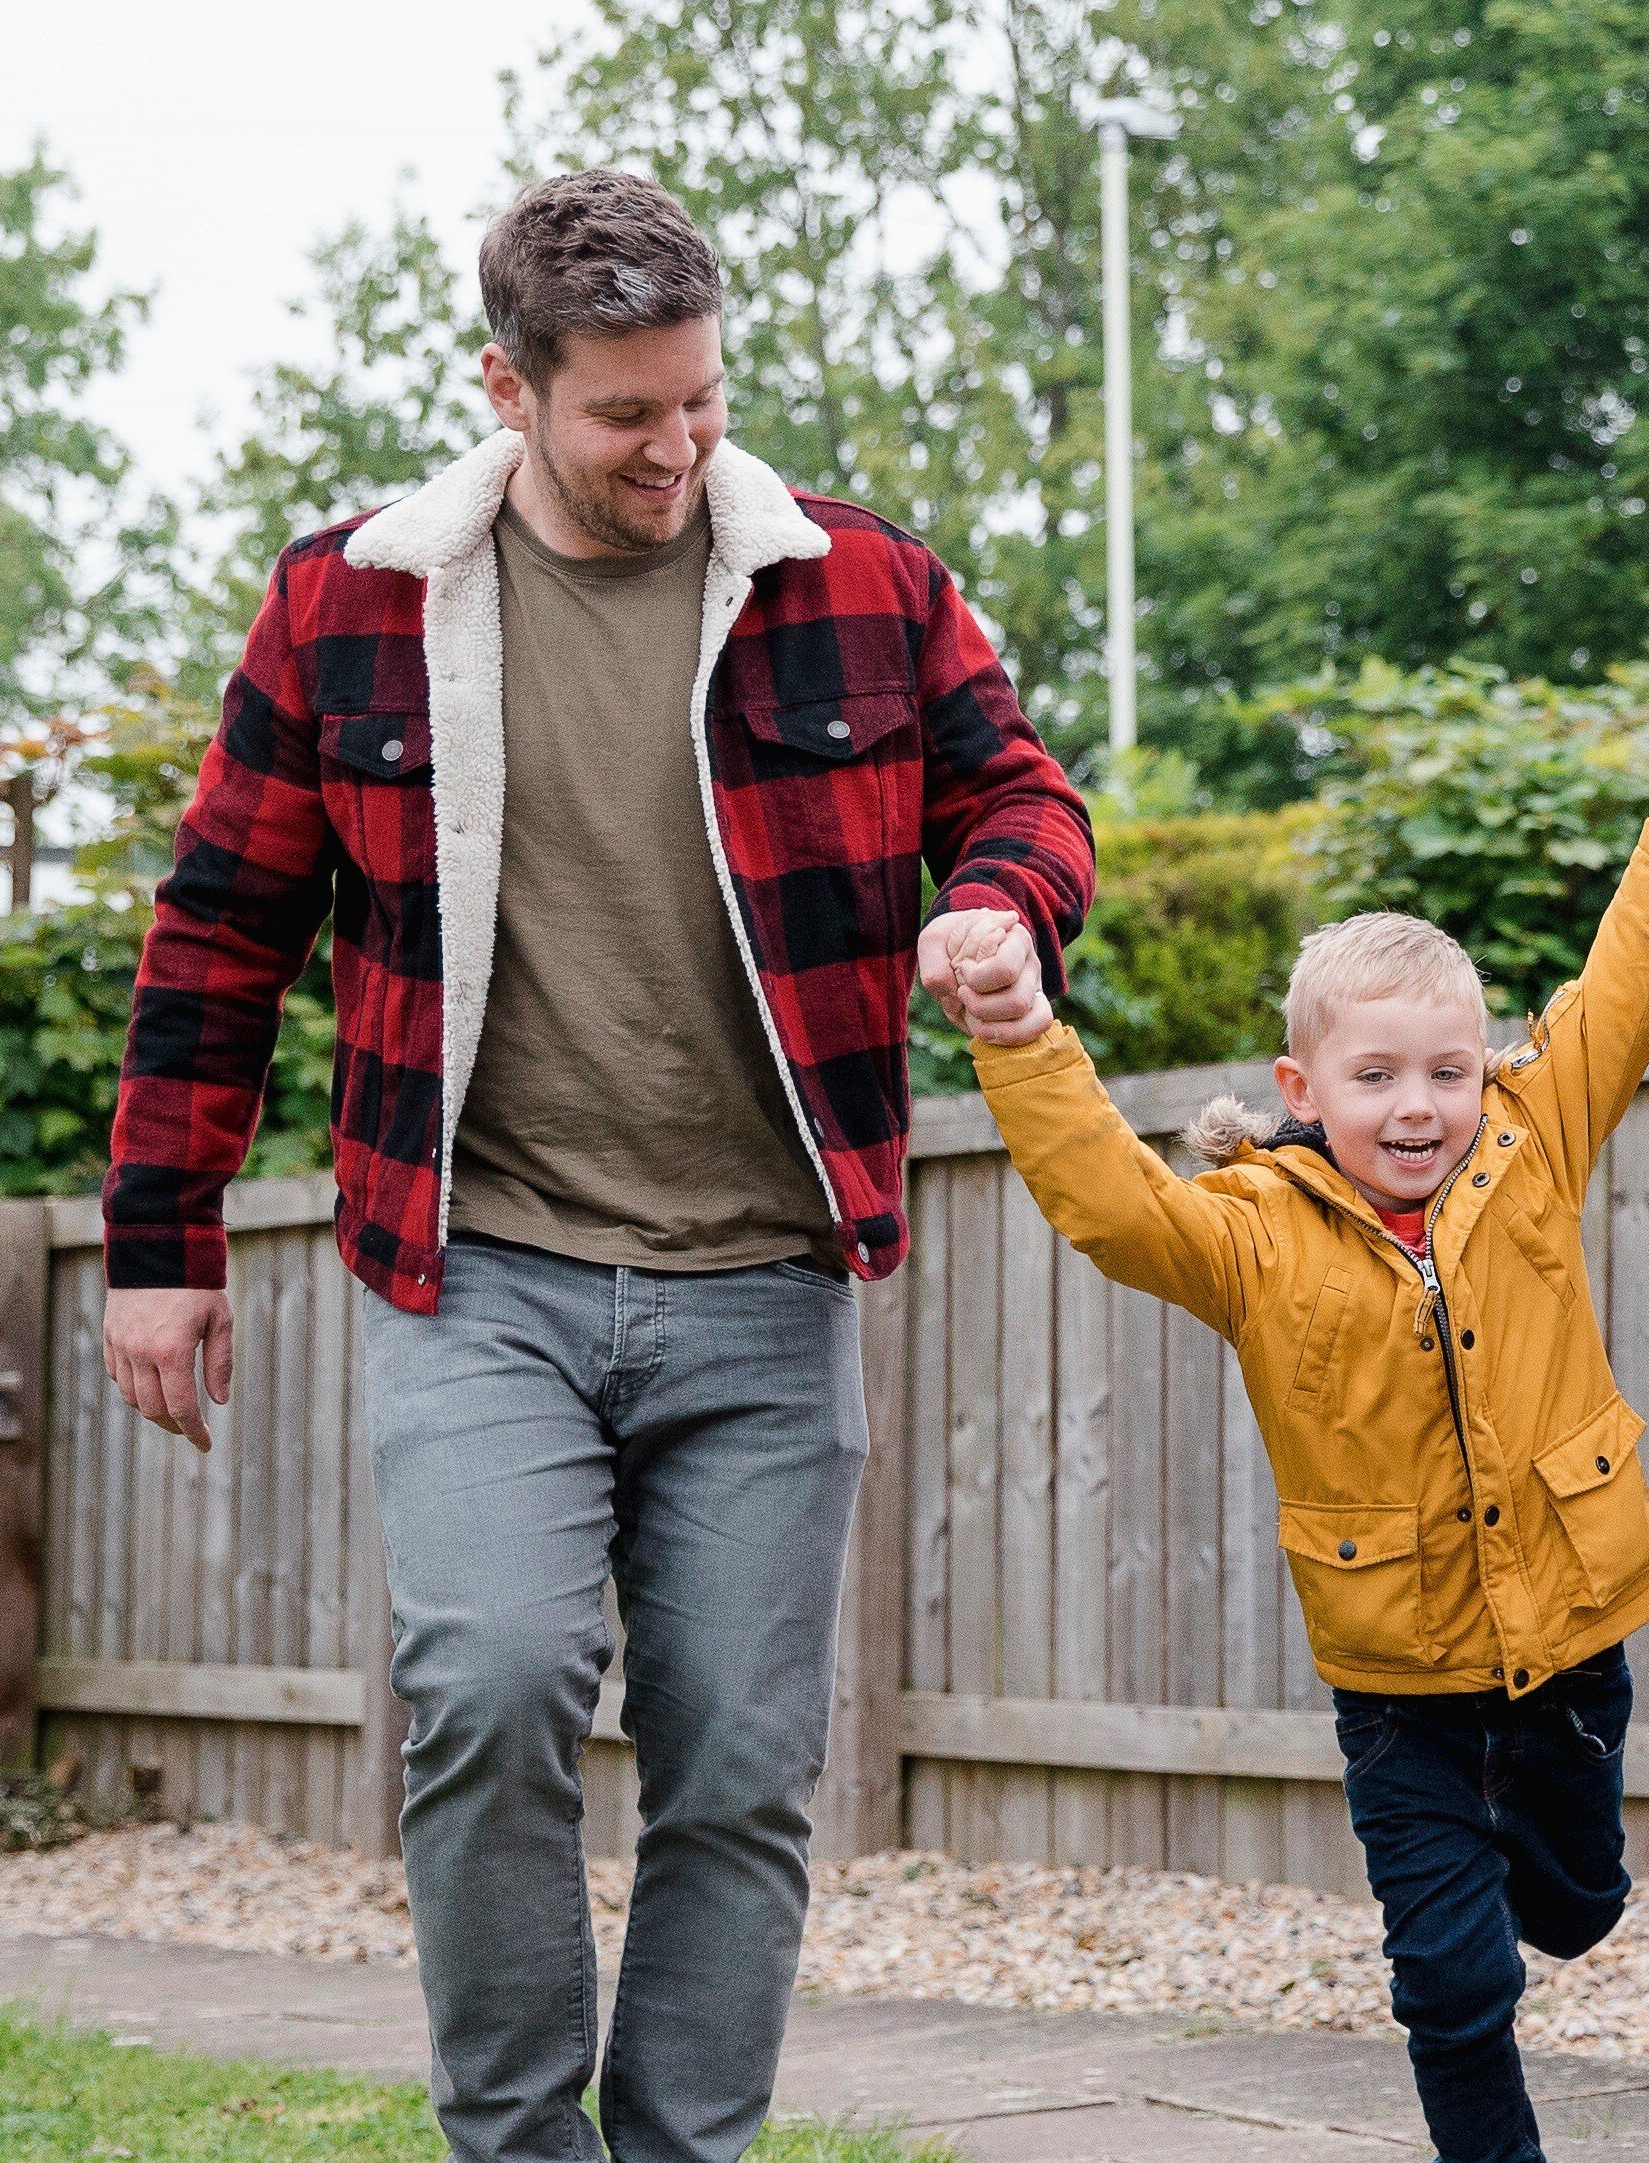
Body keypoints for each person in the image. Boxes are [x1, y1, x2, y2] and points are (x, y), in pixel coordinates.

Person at [94, 169, 1094, 2163]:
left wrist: (997, 904)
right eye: (627, 412)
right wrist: (157, 1238)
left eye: (702, 399)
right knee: (485, 1680)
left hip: (764, 1278)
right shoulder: (350, 605)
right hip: (480, 1269)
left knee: (735, 1758)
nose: (679, 446)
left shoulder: (862, 582)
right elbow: (218, 930)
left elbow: (1023, 792)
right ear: (512, 386)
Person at [916, 703, 1649, 2163]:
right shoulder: (1254, 1236)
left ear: (1487, 1069)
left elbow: (1630, 976)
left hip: (1570, 1639)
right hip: (1401, 1684)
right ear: (1306, 1094)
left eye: (1446, 1070)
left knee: (1575, 1906)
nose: (1418, 1106)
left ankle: (1555, 1884)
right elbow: (1111, 1203)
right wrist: (1021, 1036)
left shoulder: (1535, 1138)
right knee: (1453, 1976)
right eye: (1376, 1079)